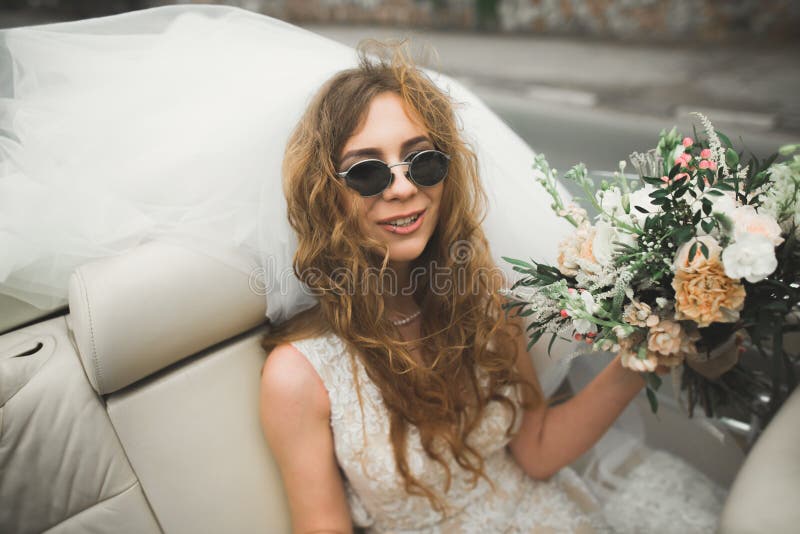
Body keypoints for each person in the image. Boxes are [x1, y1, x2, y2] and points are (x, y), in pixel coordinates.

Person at [258, 41, 725, 533]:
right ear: (325, 194)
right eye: (367, 171)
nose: (402, 188)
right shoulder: (299, 376)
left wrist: (644, 353)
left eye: (422, 162)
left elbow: (538, 452)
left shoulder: (484, 303)